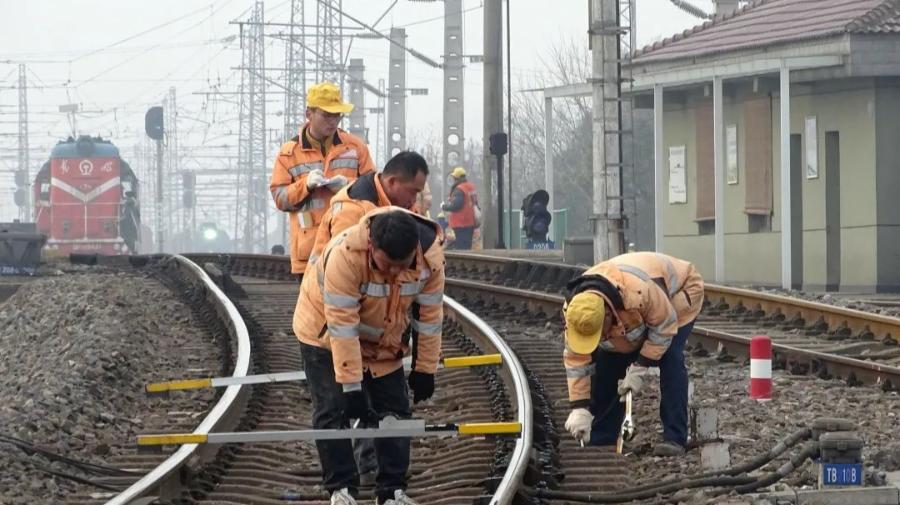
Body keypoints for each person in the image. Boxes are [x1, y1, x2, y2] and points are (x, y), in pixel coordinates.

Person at [293, 208, 444, 505]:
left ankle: (391, 490)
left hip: (383, 338)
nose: (394, 274)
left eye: (401, 266)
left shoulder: (430, 262)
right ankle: (342, 488)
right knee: (333, 410)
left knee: (395, 412)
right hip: (323, 335)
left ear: (413, 251)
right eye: (387, 265)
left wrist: (425, 368)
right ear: (372, 246)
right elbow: (342, 325)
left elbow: (429, 317)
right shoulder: (345, 255)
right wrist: (351, 387)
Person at [561, 252, 704, 456]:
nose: (599, 338)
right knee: (608, 360)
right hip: (638, 306)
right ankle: (603, 437)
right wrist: (579, 407)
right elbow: (576, 360)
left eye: (599, 332)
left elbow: (664, 327)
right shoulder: (575, 310)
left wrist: (639, 367)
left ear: (608, 315)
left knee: (670, 358)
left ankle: (674, 438)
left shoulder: (638, 293)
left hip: (680, 292)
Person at [269, 82, 375, 282]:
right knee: (312, 312)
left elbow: (375, 190)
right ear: (309, 114)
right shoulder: (288, 154)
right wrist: (305, 186)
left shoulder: (356, 147)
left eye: (337, 115)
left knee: (347, 309)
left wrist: (350, 186)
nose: (333, 121)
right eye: (326, 115)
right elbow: (280, 199)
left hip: (350, 245)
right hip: (310, 252)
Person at [309, 150, 429, 265]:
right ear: (392, 182)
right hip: (327, 284)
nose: (414, 199)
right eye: (413, 192)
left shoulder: (401, 208)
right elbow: (344, 263)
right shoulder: (352, 211)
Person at [440, 167, 479, 250]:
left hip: (460, 222)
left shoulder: (459, 189)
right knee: (467, 245)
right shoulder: (471, 187)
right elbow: (475, 203)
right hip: (470, 221)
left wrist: (444, 206)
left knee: (461, 246)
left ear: (456, 178)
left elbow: (456, 206)